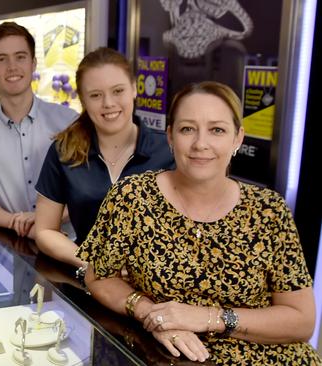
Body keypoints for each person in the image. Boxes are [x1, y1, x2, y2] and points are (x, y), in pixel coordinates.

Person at [77, 81, 321, 364]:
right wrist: (153, 314)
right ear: (170, 136)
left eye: (217, 130)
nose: (200, 144)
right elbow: (99, 277)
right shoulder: (133, 197)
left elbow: (301, 321)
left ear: (238, 138)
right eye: (187, 129)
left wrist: (208, 318)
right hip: (170, 356)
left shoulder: (269, 210)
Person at [35, 47, 173, 275]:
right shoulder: (64, 151)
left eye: (117, 91)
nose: (108, 103)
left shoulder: (168, 151)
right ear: (83, 100)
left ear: (134, 89)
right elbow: (45, 231)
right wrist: (92, 264)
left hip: (158, 290)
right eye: (96, 95)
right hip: (90, 284)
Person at [0, 22, 77, 239]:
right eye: (1, 59)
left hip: (69, 246)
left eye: (20, 57)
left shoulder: (69, 122)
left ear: (33, 63)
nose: (12, 67)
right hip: (11, 247)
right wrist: (17, 223)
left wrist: (42, 221)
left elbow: (83, 192)